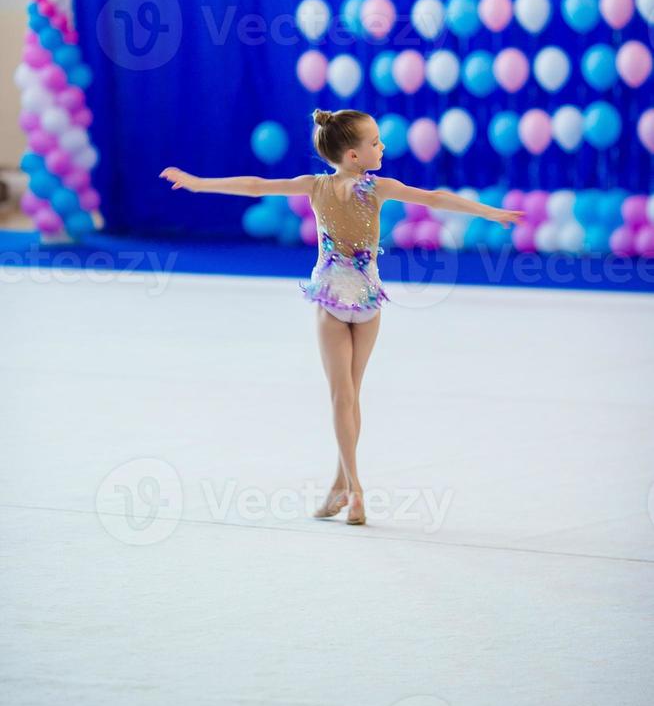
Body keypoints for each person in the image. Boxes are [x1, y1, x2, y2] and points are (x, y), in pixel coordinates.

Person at [159, 108, 525, 526]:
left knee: (348, 394)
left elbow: (436, 198)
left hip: (363, 302)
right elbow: (255, 185)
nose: (382, 147)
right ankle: (354, 489)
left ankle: (342, 484)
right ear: (353, 155)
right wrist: (199, 183)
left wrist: (491, 213)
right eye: (375, 143)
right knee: (345, 396)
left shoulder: (360, 187)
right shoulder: (328, 187)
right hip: (339, 298)